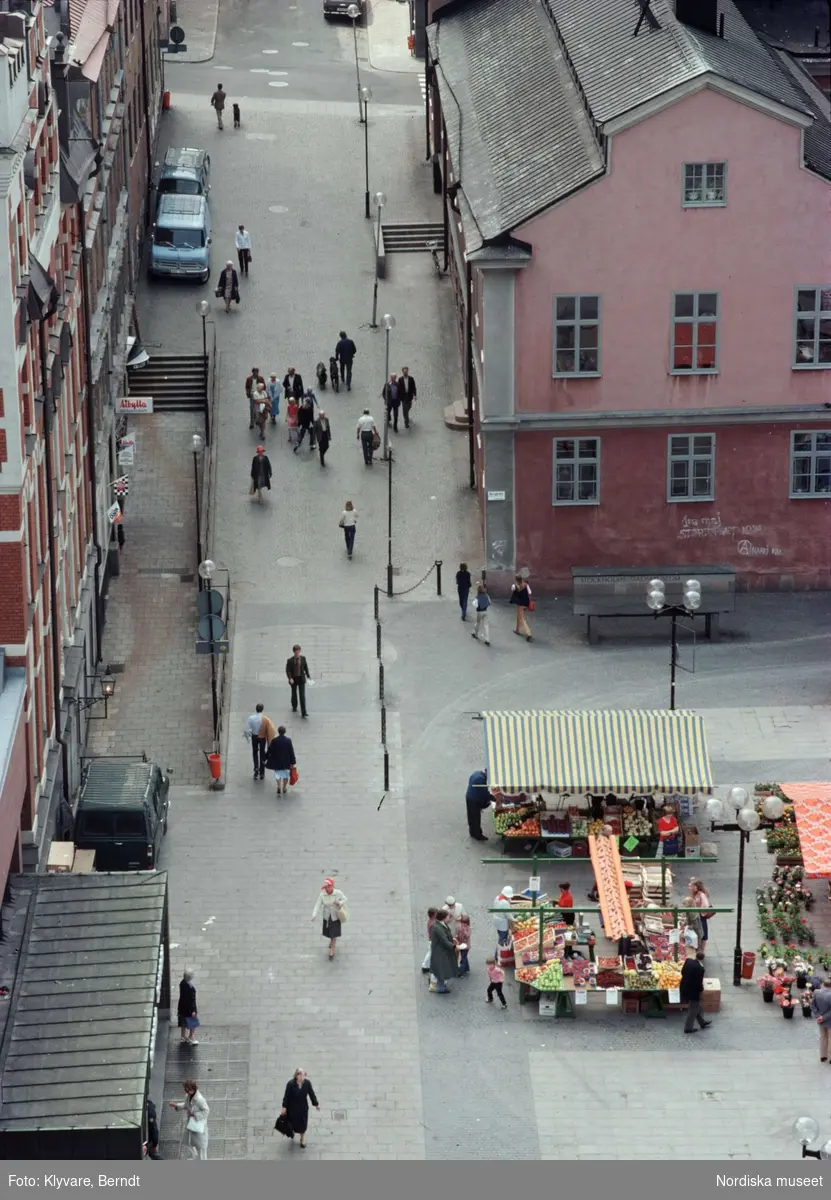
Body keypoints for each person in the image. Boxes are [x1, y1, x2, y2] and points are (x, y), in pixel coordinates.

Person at [169, 1080, 209, 1160]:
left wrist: (194, 1114)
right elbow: (186, 1105)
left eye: (187, 1090)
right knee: (189, 1143)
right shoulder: (188, 1096)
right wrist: (176, 1105)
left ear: (193, 1089)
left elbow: (206, 1111)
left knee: (201, 1149)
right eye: (185, 1090)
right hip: (191, 1125)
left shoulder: (200, 1100)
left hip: (198, 1127)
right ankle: (195, 1157)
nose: (186, 1091)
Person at [280, 1069, 320, 1149]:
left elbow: (311, 1094)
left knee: (303, 1125)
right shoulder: (290, 1084)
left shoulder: (307, 1083)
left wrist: (316, 1104)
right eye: (301, 1075)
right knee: (292, 1124)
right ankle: (292, 1132)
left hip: (303, 1108)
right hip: (292, 1109)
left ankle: (302, 1139)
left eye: (304, 1075)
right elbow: (286, 1096)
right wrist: (284, 1107)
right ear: (297, 1076)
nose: (303, 1077)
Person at [311, 877, 348, 960]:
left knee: (334, 933)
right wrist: (314, 915)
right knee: (328, 932)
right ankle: (331, 941)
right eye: (327, 886)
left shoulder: (337, 893)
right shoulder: (322, 894)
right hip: (327, 916)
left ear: (332, 886)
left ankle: (332, 949)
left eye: (330, 886)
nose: (329, 888)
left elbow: (345, 899)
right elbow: (317, 905)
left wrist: (339, 902)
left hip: (335, 915)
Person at [243, 702, 277, 781]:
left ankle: (256, 769)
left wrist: (248, 737)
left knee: (255, 753)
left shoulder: (251, 718)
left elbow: (246, 730)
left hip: (254, 737)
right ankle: (262, 773)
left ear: (256, 709)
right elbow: (271, 729)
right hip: (262, 738)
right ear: (262, 709)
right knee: (262, 753)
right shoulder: (265, 719)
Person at [680, 950, 711, 1034]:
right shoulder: (700, 969)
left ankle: (702, 1022)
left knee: (698, 1006)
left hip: (684, 987)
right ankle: (688, 1028)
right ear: (702, 959)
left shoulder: (688, 961)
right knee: (693, 1009)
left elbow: (682, 972)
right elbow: (698, 982)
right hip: (693, 992)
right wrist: (701, 989)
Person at [429, 909, 456, 994]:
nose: (449, 918)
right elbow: (444, 940)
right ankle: (440, 988)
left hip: (442, 951)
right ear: (443, 918)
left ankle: (439, 985)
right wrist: (454, 946)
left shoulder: (441, 925)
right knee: (441, 970)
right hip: (440, 952)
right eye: (448, 916)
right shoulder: (437, 927)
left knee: (441, 969)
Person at [466, 767, 496, 841]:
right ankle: (477, 835)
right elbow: (483, 793)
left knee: (471, 816)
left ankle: (472, 832)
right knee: (476, 817)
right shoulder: (481, 779)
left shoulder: (476, 773)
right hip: (474, 799)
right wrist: (493, 798)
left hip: (469, 796)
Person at [265, 725, 296, 795]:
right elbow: (291, 751)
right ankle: (284, 787)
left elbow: (270, 750)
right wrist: (293, 761)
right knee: (285, 775)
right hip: (286, 761)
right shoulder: (288, 741)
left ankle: (278, 786)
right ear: (285, 732)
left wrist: (265, 757)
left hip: (277, 761)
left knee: (278, 775)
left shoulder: (274, 741)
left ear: (278, 732)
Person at [285, 643, 310, 718]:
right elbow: (288, 670)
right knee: (294, 693)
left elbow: (305, 667)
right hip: (294, 679)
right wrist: (290, 678)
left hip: (301, 678)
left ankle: (304, 712)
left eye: (298, 651)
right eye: (296, 651)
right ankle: (294, 706)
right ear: (294, 652)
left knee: (302, 695)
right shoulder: (290, 660)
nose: (297, 653)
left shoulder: (303, 658)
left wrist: (308, 675)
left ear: (300, 651)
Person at [689, 878, 714, 954]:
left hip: (700, 916)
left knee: (703, 932)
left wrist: (701, 913)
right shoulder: (696, 894)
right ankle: (698, 948)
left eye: (693, 886)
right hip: (697, 915)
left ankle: (702, 951)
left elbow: (706, 905)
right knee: (699, 931)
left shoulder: (701, 895)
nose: (691, 888)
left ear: (697, 887)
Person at [177, 970, 199, 1045]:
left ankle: (183, 1037)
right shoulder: (189, 988)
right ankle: (191, 1037)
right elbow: (190, 1000)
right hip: (189, 1009)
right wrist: (193, 1010)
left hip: (182, 1008)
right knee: (193, 1023)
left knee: (183, 1022)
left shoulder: (182, 983)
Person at [812, 978, 831, 1061]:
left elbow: (813, 1005)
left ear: (824, 985)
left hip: (820, 1020)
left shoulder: (816, 993)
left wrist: (818, 1016)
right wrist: (824, 1017)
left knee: (823, 1037)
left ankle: (823, 1056)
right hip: (829, 1020)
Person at [510, 573, 532, 641]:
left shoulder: (515, 586)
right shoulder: (526, 585)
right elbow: (530, 592)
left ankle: (528, 633)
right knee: (518, 616)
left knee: (522, 619)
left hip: (520, 604)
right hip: (526, 603)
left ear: (516, 580)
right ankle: (517, 629)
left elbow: (512, 590)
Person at [471, 580, 491, 646]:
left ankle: (476, 634)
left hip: (479, 612)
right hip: (486, 611)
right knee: (486, 625)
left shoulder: (478, 597)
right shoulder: (486, 595)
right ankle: (487, 639)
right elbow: (489, 603)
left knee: (478, 622)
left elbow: (474, 604)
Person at [421, 907, 438, 973]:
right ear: (433, 915)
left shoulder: (431, 921)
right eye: (436, 913)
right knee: (430, 953)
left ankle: (426, 966)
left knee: (430, 953)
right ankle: (425, 966)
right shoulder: (433, 923)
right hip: (433, 941)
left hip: (431, 940)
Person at [456, 909, 471, 976]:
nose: (463, 924)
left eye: (464, 923)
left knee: (463, 958)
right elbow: (458, 934)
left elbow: (467, 936)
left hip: (466, 946)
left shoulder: (468, 928)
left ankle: (461, 972)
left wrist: (464, 930)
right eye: (462, 922)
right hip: (461, 944)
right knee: (464, 956)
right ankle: (467, 968)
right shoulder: (460, 926)